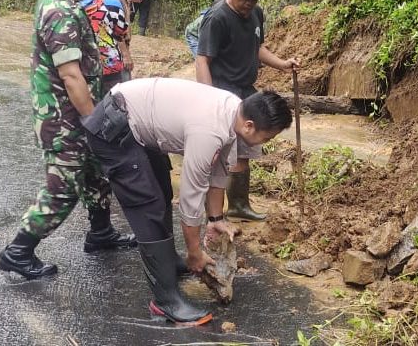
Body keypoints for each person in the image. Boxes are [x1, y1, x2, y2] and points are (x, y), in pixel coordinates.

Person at [82, 78, 293, 325]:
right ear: (249, 126)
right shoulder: (210, 130)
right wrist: (195, 252)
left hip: (135, 122)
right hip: (113, 125)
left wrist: (215, 219)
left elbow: (219, 171)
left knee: (161, 188)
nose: (266, 144)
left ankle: (167, 262)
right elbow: (191, 196)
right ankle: (165, 302)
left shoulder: (234, 111)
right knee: (147, 203)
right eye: (267, 139)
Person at [0, 0, 134, 280]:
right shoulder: (59, 10)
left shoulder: (68, 0)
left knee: (96, 174)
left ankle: (101, 233)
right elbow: (71, 75)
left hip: (74, 112)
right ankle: (19, 250)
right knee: (63, 188)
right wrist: (95, 121)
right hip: (64, 117)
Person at [195, 0, 299, 221]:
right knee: (222, 152)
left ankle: (238, 205)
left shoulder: (256, 14)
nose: (249, 2)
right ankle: (213, 209)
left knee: (245, 149)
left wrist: (283, 64)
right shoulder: (217, 18)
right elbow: (202, 60)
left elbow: (257, 48)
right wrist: (208, 99)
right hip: (222, 92)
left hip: (246, 91)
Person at [80, 0, 134, 95]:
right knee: (120, 94)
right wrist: (126, 55)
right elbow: (118, 33)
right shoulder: (111, 1)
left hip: (102, 57)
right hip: (113, 55)